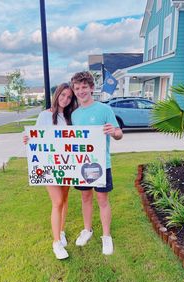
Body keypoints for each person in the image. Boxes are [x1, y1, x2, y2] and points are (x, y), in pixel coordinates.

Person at [70, 71, 123, 255]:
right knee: (85, 198)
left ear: (91, 88)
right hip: (81, 164)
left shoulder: (104, 109)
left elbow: (119, 134)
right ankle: (87, 230)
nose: (81, 91)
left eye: (84, 87)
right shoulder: (75, 115)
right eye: (77, 88)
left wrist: (114, 132)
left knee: (102, 199)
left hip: (101, 164)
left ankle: (106, 236)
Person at [23, 83, 77, 260]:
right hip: (48, 166)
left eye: (69, 97)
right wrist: (28, 139)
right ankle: (56, 243)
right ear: (57, 95)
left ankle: (61, 231)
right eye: (63, 95)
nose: (65, 100)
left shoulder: (71, 117)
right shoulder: (44, 116)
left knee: (65, 199)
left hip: (67, 164)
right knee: (57, 201)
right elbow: (36, 137)